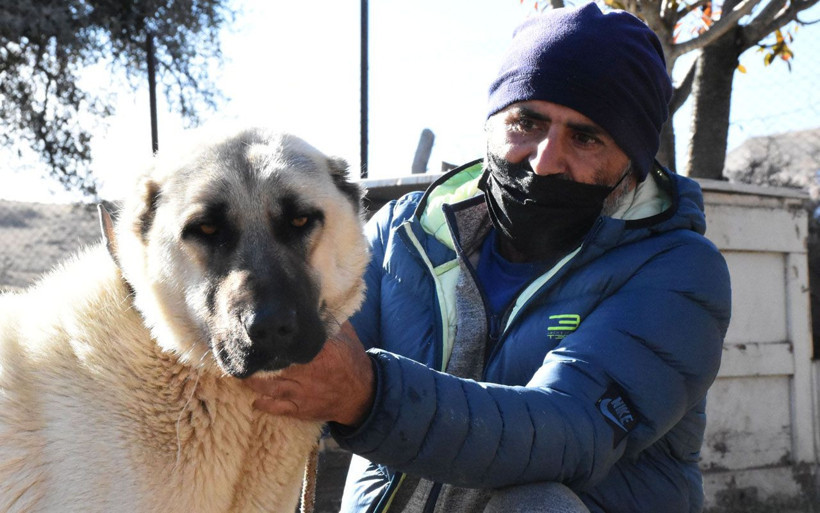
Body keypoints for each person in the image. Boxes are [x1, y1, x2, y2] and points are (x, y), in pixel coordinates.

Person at [247, 3, 732, 512]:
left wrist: (369, 395)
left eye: (585, 138)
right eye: (528, 122)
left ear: (631, 166)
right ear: (493, 121)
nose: (544, 160)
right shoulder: (406, 233)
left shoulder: (675, 270)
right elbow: (309, 361)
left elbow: (570, 432)